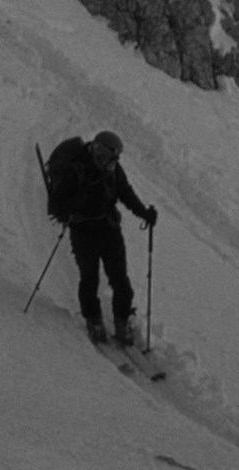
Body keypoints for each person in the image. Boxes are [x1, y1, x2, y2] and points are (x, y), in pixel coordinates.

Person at [43, 128, 157, 345]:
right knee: (90, 278)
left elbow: (125, 193)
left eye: (110, 157)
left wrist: (144, 213)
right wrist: (77, 202)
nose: (106, 161)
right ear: (96, 149)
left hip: (108, 229)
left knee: (121, 281)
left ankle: (122, 321)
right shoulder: (76, 170)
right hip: (83, 232)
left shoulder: (113, 170)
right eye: (102, 155)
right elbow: (58, 206)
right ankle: (94, 320)